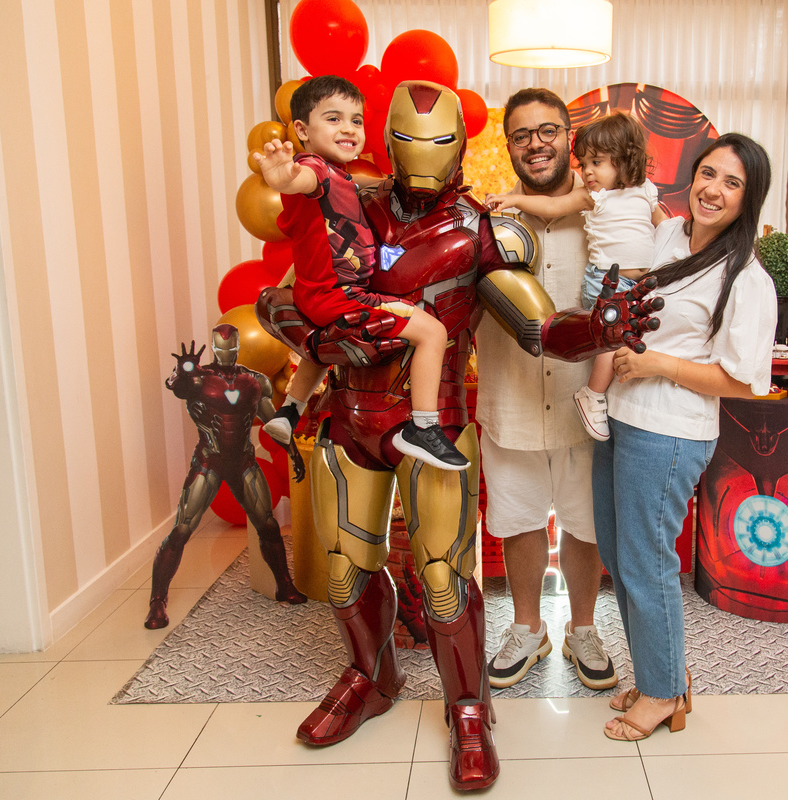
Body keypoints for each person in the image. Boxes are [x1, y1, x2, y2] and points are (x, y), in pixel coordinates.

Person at [254, 80, 658, 791]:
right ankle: (370, 676)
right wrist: (324, 340)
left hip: (434, 422)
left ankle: (468, 707)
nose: (423, 156)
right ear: (387, 139)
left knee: (443, 576)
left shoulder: (483, 228)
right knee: (346, 569)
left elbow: (537, 326)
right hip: (351, 415)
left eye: (438, 142)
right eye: (409, 139)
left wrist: (599, 328)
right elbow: (284, 301)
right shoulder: (350, 201)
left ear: (461, 147)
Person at [593, 133, 777, 741]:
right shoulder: (670, 234)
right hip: (621, 416)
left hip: (669, 435)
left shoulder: (746, 277)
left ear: (748, 199)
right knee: (620, 557)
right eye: (708, 173)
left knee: (646, 562)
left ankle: (664, 692)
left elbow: (744, 381)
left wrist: (659, 365)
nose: (713, 189)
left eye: (732, 182)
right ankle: (662, 672)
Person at [476, 89, 620, 693]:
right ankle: (528, 628)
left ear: (569, 138)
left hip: (586, 403)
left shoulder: (608, 213)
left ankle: (582, 628)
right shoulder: (486, 223)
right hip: (509, 399)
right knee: (517, 520)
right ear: (508, 145)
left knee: (586, 525)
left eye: (548, 131)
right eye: (521, 134)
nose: (535, 144)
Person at [253, 75, 468, 471]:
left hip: (317, 296)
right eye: (333, 119)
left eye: (356, 120)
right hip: (341, 294)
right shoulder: (314, 170)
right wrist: (282, 176)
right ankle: (423, 427)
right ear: (302, 130)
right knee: (432, 332)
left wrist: (395, 183)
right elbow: (300, 180)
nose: (349, 129)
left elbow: (359, 186)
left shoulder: (339, 177)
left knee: (321, 348)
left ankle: (289, 410)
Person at [488, 111, 668, 442]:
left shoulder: (645, 191)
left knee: (632, 342)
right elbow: (551, 206)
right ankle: (592, 395)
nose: (586, 172)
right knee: (611, 338)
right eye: (583, 164)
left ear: (624, 160)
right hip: (605, 282)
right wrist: (512, 199)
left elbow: (665, 227)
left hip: (637, 286)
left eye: (596, 162)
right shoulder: (592, 196)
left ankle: (619, 399)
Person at [145, 325, 307, 629]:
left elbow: (271, 419)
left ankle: (284, 584)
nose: (227, 354)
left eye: (231, 349)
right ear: (214, 348)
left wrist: (293, 451)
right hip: (210, 460)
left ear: (238, 348)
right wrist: (183, 370)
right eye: (222, 349)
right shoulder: (198, 379)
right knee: (182, 529)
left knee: (268, 524)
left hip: (243, 460)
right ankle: (157, 601)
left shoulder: (254, 380)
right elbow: (177, 386)